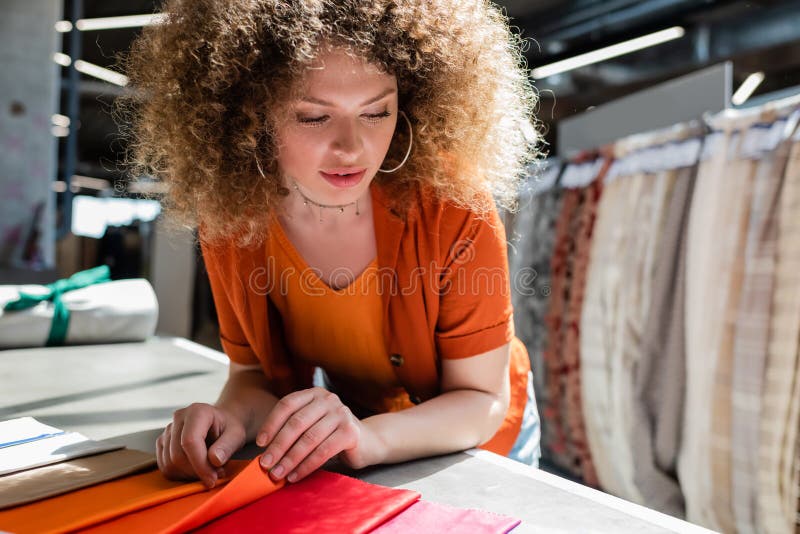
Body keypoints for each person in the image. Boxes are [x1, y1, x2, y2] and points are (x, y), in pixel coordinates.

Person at [121, 0, 542, 490]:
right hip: (358, 425)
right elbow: (254, 375)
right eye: (315, 117)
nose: (352, 147)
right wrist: (229, 420)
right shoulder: (233, 219)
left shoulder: (453, 204)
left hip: (476, 439)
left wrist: (366, 440)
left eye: (377, 111)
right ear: (252, 113)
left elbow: (481, 399)